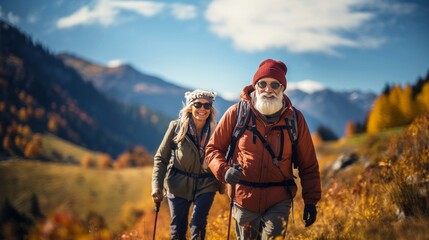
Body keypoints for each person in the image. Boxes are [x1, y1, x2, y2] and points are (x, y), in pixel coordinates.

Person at [205, 59, 321, 239]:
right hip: (244, 200)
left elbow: (309, 165)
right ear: (255, 86)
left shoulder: (295, 120)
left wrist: (311, 201)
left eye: (275, 84)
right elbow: (213, 149)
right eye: (263, 84)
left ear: (282, 89)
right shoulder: (237, 113)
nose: (268, 89)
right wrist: (224, 171)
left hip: (279, 200)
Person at [151, 89, 221, 240]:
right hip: (178, 184)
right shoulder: (176, 127)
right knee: (177, 230)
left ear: (211, 109)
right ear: (190, 107)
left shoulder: (217, 130)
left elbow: (223, 156)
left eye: (207, 106)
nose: (202, 109)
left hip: (206, 184)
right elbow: (161, 159)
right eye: (198, 105)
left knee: (198, 226)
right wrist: (156, 186)